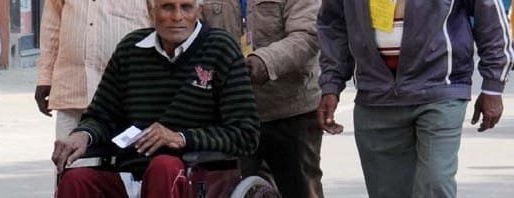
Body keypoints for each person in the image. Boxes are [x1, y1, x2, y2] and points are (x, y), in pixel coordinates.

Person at [50, 0, 260, 197]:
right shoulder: (131, 49)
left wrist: (180, 138)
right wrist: (83, 135)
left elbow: (246, 134)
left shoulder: (221, 48)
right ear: (151, 12)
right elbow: (102, 115)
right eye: (167, 7)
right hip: (130, 172)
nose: (177, 16)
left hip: (194, 174)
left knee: (164, 167)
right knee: (75, 180)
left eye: (186, 7)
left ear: (198, 11)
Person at [318, 0, 510, 197]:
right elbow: (333, 24)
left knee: (435, 184)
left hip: (439, 88)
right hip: (375, 95)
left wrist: (493, 86)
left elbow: (489, 13)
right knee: (388, 192)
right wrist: (331, 85)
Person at [202, 0, 323, 197]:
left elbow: (307, 35)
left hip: (290, 111)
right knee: (230, 190)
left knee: (300, 190)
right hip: (231, 114)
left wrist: (263, 61)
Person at [35, 0, 151, 139]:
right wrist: (45, 77)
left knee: (125, 157)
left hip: (127, 93)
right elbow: (52, 23)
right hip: (73, 89)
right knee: (68, 155)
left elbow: (165, 18)